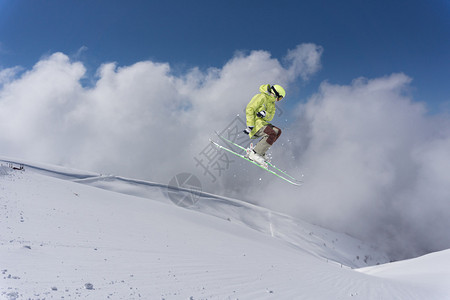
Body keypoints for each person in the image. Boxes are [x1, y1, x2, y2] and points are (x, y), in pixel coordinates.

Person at [243, 84, 286, 166]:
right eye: (280, 97)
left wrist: (265, 114)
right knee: (272, 133)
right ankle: (254, 154)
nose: (279, 100)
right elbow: (249, 108)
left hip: (263, 124)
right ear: (276, 93)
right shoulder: (261, 97)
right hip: (256, 125)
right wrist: (250, 125)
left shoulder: (272, 104)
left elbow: (270, 117)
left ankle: (261, 151)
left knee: (277, 131)